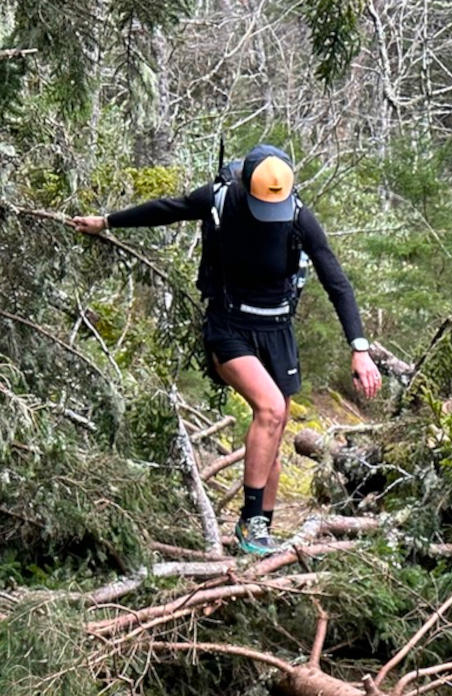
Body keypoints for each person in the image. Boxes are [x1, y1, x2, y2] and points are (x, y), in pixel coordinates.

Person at [74, 145, 381, 556]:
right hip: (230, 327)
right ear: (245, 188)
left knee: (273, 432)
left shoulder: (298, 216)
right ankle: (250, 524)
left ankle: (260, 538)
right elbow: (168, 208)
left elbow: (337, 282)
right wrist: (108, 222)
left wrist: (359, 348)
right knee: (271, 408)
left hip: (277, 331)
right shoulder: (219, 199)